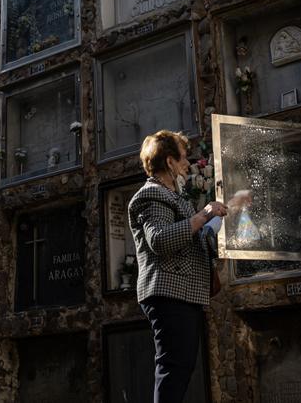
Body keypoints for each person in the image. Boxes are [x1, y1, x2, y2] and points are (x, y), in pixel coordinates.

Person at [128, 130, 227, 403]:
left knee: (181, 368)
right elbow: (160, 240)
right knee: (173, 369)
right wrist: (204, 214)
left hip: (184, 294)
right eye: (183, 158)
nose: (187, 164)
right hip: (168, 293)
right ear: (169, 162)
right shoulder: (150, 195)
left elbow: (189, 236)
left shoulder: (176, 198)